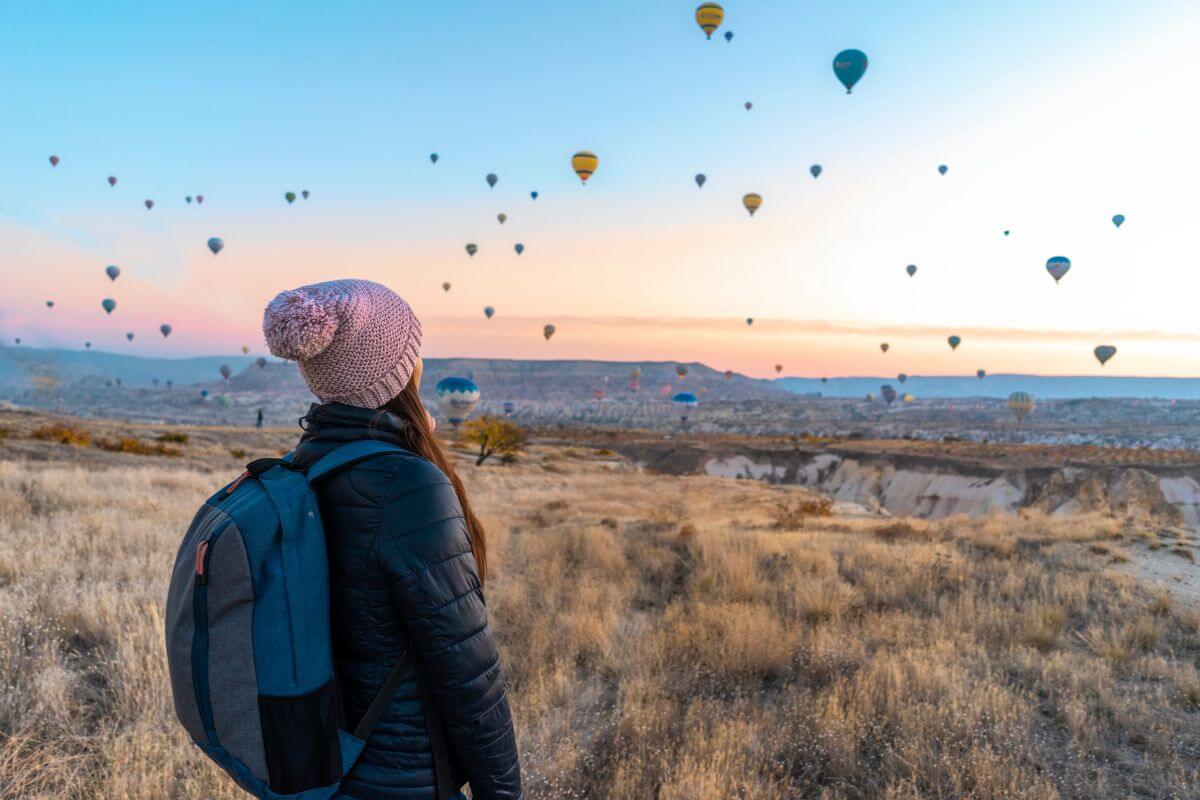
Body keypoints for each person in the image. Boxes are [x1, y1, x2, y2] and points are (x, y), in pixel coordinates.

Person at [262, 279, 523, 800]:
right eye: (414, 350)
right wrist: (503, 791)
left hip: (317, 766)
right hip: (400, 774)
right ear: (400, 370)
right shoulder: (406, 484)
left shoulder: (302, 467)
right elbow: (467, 667)